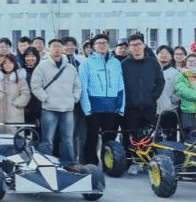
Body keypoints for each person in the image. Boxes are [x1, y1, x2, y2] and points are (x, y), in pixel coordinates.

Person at [31, 39, 81, 167]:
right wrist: (46, 98)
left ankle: (69, 165)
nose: (57, 49)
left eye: (59, 47)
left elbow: (77, 86)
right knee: (47, 140)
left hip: (67, 109)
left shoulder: (70, 68)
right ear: (49, 49)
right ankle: (45, 165)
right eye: (54, 47)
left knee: (68, 140)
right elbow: (35, 86)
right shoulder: (42, 66)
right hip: (49, 109)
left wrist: (74, 98)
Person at [78, 34, 124, 166]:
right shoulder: (86, 63)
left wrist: (121, 106)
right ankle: (90, 163)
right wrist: (86, 108)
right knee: (92, 136)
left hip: (111, 106)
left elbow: (121, 86)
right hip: (94, 106)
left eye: (105, 42)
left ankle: (108, 164)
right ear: (93, 46)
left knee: (109, 137)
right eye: (99, 43)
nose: (102, 45)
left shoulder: (116, 63)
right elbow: (83, 87)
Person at [120, 33, 164, 151]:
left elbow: (161, 82)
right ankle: (130, 160)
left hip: (149, 108)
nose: (136, 47)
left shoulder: (153, 63)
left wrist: (153, 97)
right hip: (130, 109)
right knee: (130, 141)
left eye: (139, 44)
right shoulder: (124, 64)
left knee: (149, 139)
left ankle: (149, 160)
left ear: (144, 45)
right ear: (129, 47)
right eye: (133, 45)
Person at [0, 54, 30, 131]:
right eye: (5, 63)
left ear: (14, 64)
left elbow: (26, 94)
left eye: (10, 63)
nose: (8, 65)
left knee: (15, 135)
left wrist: (15, 103)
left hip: (15, 113)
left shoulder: (20, 79)